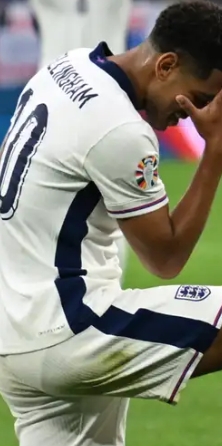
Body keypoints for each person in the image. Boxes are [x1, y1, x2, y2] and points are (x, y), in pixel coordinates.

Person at [0, 3, 222, 446]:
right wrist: (216, 152)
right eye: (197, 96)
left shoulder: (64, 67)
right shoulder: (121, 128)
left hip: (13, 329)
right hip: (70, 327)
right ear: (165, 65)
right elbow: (165, 257)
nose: (193, 113)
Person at [30, 0, 134, 285]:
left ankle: (108, 287)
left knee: (113, 202)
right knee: (39, 198)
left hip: (105, 90)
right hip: (53, 86)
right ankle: (39, 289)